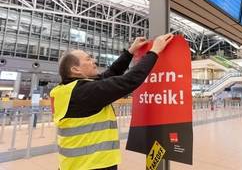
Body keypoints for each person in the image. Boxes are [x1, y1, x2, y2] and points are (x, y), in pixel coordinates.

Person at [50, 33, 173, 170]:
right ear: (75, 69)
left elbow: (110, 73)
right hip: (91, 165)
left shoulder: (68, 91)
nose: (94, 61)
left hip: (77, 164)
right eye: (88, 59)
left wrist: (130, 52)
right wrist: (154, 52)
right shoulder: (84, 92)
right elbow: (128, 81)